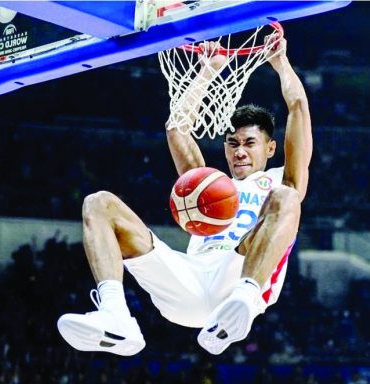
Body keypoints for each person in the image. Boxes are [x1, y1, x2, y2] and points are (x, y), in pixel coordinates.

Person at [57, 36, 312, 356]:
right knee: (98, 203)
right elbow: (177, 129)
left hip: (238, 277)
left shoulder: (280, 179)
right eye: (232, 143)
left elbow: (299, 108)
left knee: (288, 199)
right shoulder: (210, 184)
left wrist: (281, 63)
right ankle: (116, 316)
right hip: (188, 279)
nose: (240, 151)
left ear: (270, 148)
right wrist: (208, 71)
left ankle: (244, 301)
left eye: (249, 143)